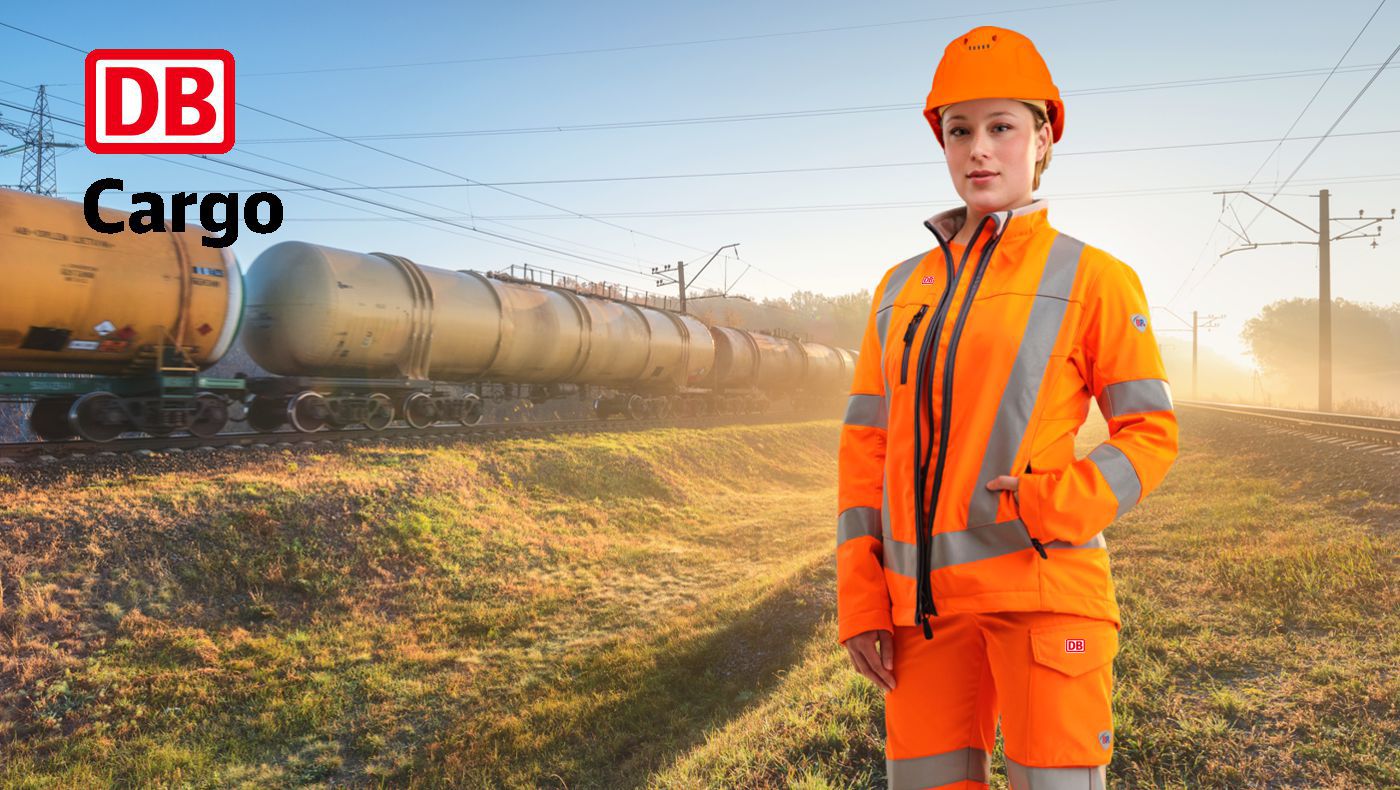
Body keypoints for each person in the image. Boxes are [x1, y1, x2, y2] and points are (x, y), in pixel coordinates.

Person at [835, 25, 1180, 790]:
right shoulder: (897, 290)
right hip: (918, 617)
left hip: (1043, 597)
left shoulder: (1096, 278)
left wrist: (1049, 506)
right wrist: (862, 602)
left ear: (1043, 136)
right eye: (960, 131)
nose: (979, 150)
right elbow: (867, 449)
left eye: (1002, 128)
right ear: (942, 143)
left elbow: (1151, 434)